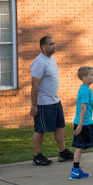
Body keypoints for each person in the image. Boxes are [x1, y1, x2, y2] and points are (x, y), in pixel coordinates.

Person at [30, 36, 74, 166]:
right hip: (43, 103)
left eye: (54, 44)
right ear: (43, 46)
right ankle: (37, 156)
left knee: (60, 126)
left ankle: (63, 152)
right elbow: (34, 85)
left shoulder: (51, 59)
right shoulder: (39, 62)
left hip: (55, 100)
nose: (54, 46)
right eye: (51, 44)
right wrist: (34, 105)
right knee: (40, 129)